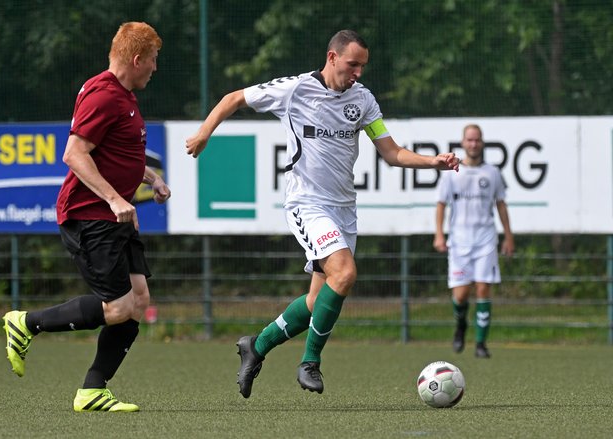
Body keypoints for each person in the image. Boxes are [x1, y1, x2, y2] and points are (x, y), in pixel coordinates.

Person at [185, 29, 460, 397]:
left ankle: (257, 346)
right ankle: (310, 361)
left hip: (344, 209)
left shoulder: (363, 101)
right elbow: (234, 98)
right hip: (307, 203)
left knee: (318, 300)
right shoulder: (296, 89)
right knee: (344, 273)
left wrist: (432, 162)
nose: (358, 73)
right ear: (332, 57)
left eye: (363, 66)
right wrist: (204, 133)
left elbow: (391, 152)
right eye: (352, 64)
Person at [2, 22, 170, 412]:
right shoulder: (104, 95)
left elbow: (118, 152)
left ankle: (92, 390)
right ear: (137, 59)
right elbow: (74, 153)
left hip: (115, 218)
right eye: (153, 60)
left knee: (138, 301)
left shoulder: (123, 95)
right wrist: (114, 200)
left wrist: (152, 178)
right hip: (91, 216)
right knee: (117, 308)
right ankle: (25, 324)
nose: (155, 68)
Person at [433, 124, 514, 359]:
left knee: (483, 288)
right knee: (460, 295)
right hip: (459, 241)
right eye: (469, 140)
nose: (473, 144)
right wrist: (439, 234)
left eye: (477, 140)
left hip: (485, 239)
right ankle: (461, 325)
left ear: (482, 142)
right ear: (463, 143)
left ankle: (481, 344)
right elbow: (441, 204)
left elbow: (501, 204)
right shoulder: (451, 173)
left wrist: (508, 236)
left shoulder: (492, 173)